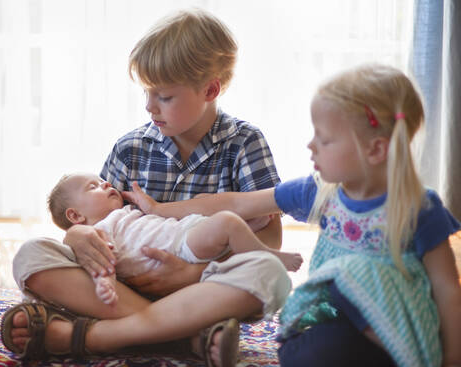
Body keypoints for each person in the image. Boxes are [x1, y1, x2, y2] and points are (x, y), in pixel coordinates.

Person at [1, 8, 291, 367]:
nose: (150, 106)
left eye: (164, 96)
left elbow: (270, 243)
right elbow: (94, 219)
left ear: (210, 89)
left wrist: (191, 274)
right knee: (31, 255)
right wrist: (75, 237)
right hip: (127, 286)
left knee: (272, 276)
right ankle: (186, 337)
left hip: (203, 288)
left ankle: (92, 336)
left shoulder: (244, 143)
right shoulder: (130, 147)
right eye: (147, 93)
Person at [125, 64, 461, 367]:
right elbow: (234, 204)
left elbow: (447, 288)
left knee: (348, 278)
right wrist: (157, 210)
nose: (310, 146)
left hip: (401, 327)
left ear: (374, 149)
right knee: (299, 348)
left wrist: (451, 357)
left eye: (325, 139)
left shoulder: (419, 208)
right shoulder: (319, 192)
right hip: (340, 329)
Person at [47, 172, 302, 305]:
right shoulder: (98, 231)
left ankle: (247, 230)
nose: (105, 184)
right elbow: (102, 261)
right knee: (227, 222)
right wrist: (105, 282)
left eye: (103, 181)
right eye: (93, 187)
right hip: (180, 245)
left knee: (212, 209)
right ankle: (267, 253)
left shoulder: (126, 212)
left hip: (183, 237)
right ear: (75, 215)